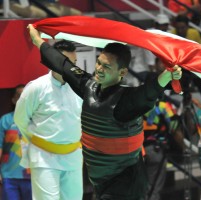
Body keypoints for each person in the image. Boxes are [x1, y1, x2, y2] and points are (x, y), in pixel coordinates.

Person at [27, 24, 182, 200]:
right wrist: (38, 41)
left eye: (107, 67)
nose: (99, 69)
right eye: (99, 63)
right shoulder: (87, 86)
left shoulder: (127, 101)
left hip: (126, 182)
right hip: (100, 180)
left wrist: (168, 75)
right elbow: (63, 65)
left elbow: (149, 91)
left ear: (122, 72)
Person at [14, 40, 83, 200]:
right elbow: (20, 119)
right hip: (44, 156)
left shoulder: (80, 87)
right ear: (53, 60)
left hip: (73, 155)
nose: (72, 67)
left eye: (75, 63)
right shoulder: (36, 87)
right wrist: (36, 140)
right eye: (68, 63)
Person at [0, 84, 32, 200]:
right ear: (14, 100)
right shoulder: (5, 120)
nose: (23, 99)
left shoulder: (39, 121)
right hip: (9, 176)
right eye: (19, 96)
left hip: (34, 176)